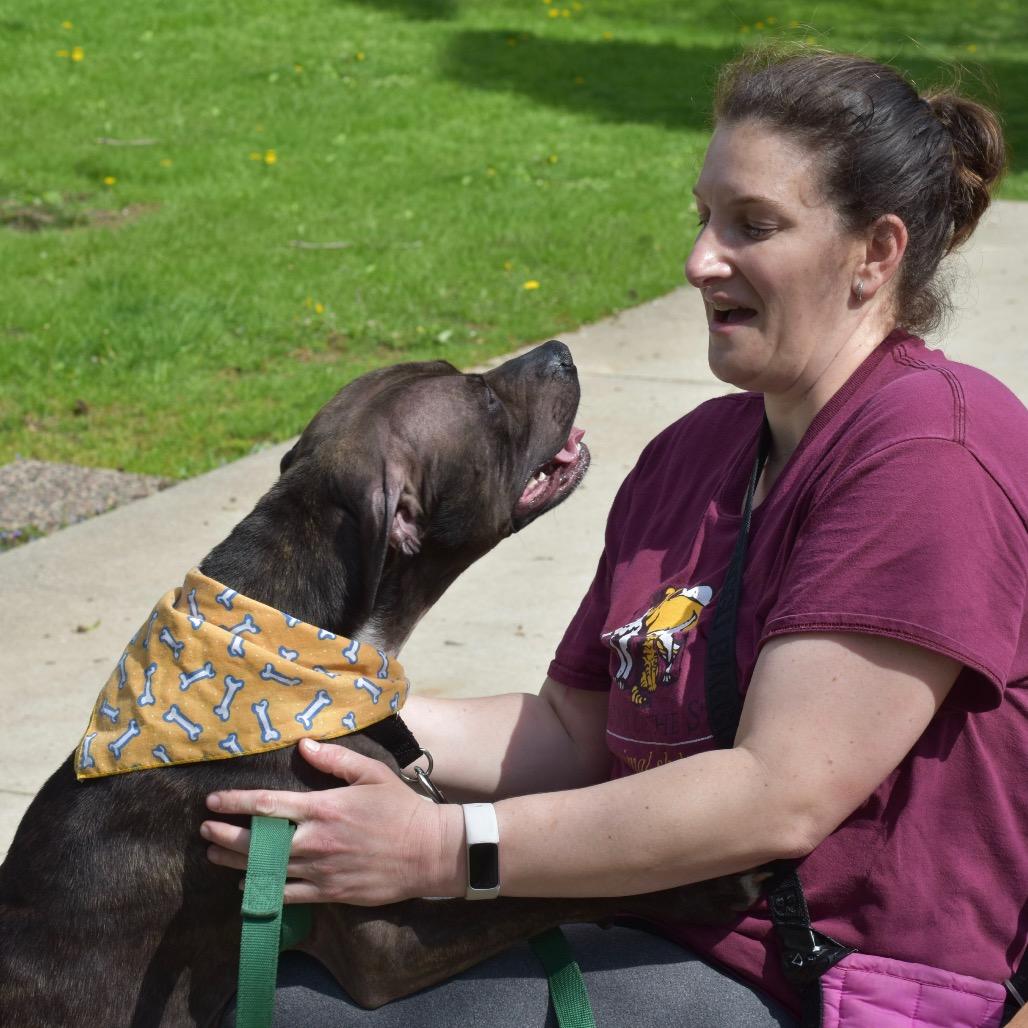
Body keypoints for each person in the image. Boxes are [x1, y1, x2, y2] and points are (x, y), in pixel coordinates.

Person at [202, 45, 1026, 1027]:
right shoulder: (693, 454)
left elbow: (778, 793)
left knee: (290, 1011)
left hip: (825, 980)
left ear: (874, 252)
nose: (698, 260)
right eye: (703, 217)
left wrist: (437, 845)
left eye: (752, 226)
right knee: (228, 963)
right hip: (660, 931)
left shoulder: (929, 451)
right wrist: (310, 707)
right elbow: (572, 729)